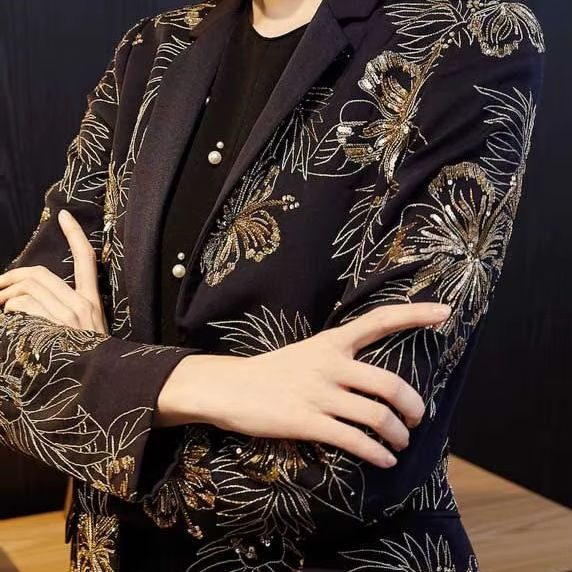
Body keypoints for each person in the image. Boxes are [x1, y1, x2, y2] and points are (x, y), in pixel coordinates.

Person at [0, 0, 544, 570]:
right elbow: (11, 364)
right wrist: (213, 385)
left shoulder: (467, 38)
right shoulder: (152, 46)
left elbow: (347, 469)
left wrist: (100, 379)